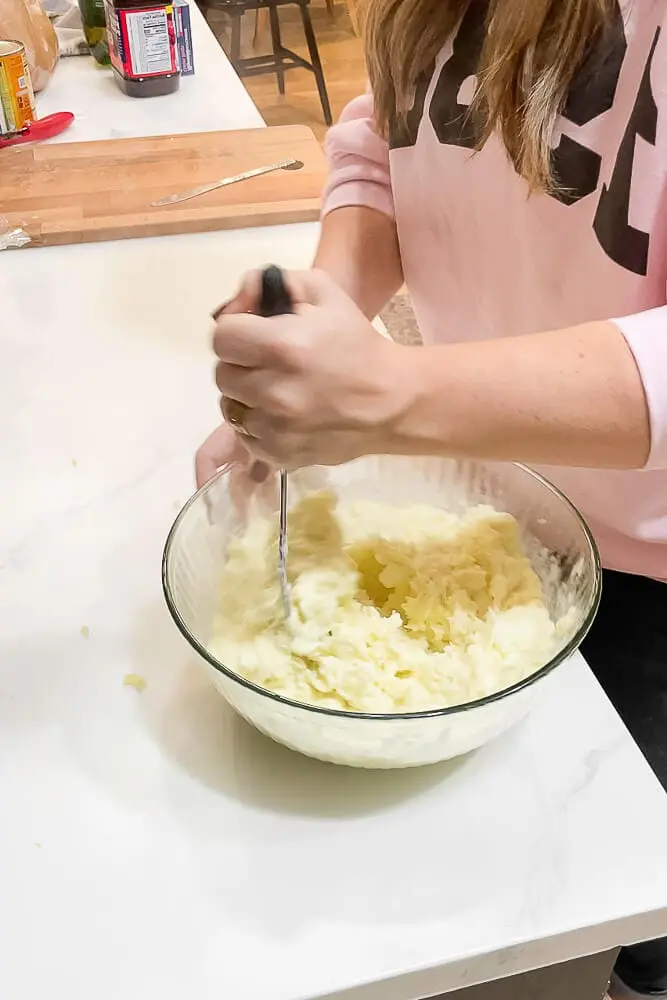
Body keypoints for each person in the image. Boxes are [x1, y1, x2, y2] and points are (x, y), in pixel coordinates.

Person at [196, 1, 667, 995]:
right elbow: (386, 136)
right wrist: (325, 324)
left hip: (650, 575)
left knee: (620, 893)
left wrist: (387, 395)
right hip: (487, 498)